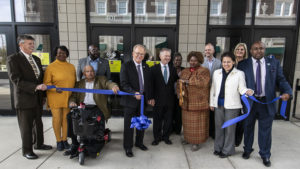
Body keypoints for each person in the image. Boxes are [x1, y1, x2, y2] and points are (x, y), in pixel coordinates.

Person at [238, 41, 292, 167]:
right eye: (255, 49)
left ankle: (265, 154)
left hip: (266, 102)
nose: (258, 51)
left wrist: (288, 92)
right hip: (250, 102)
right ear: (251, 51)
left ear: (265, 50)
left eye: (261, 48)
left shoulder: (273, 63)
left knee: (265, 130)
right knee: (248, 127)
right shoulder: (243, 64)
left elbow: (281, 79)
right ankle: (247, 149)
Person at [6, 35, 52, 160]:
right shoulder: (13, 59)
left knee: (38, 123)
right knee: (26, 127)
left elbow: (40, 79)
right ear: (21, 45)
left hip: (37, 98)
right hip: (24, 100)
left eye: (33, 43)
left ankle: (39, 144)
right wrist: (36, 87)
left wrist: (42, 95)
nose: (32, 46)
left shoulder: (36, 59)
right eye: (29, 44)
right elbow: (16, 80)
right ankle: (27, 150)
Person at [65, 65, 119, 157]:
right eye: (88, 71)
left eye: (92, 71)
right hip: (83, 107)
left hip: (97, 108)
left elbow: (109, 84)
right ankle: (74, 143)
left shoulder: (101, 79)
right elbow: (73, 95)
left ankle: (95, 143)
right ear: (83, 73)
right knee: (70, 117)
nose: (90, 73)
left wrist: (114, 87)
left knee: (95, 123)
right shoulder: (79, 83)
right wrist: (72, 102)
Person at [210, 52, 253, 158]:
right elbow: (213, 89)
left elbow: (242, 88)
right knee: (219, 127)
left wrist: (247, 91)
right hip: (218, 104)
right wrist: (211, 103)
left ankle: (227, 150)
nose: (226, 64)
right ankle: (218, 148)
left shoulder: (239, 73)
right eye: (224, 62)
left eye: (228, 62)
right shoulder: (217, 73)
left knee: (229, 129)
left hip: (233, 106)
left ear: (233, 62)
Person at [120, 44, 152, 157]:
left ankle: (139, 143)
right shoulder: (126, 66)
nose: (139, 55)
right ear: (133, 54)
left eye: (142, 54)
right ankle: (128, 147)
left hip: (142, 101)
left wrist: (150, 98)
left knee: (141, 123)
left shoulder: (146, 66)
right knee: (129, 126)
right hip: (130, 101)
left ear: (144, 55)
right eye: (137, 53)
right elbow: (123, 84)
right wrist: (134, 93)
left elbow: (148, 85)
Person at [43, 46, 76, 151]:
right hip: (55, 97)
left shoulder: (71, 66)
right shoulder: (51, 67)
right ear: (55, 54)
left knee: (66, 120)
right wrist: (54, 88)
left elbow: (74, 81)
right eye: (59, 53)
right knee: (57, 119)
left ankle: (65, 140)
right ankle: (59, 141)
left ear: (67, 54)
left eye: (64, 53)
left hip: (68, 97)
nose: (62, 55)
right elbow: (46, 83)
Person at [177, 51, 210, 151]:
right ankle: (188, 139)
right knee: (187, 124)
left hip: (199, 102)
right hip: (186, 102)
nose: (193, 62)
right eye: (191, 60)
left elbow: (203, 83)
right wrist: (179, 94)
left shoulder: (204, 71)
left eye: (195, 60)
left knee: (197, 125)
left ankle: (196, 142)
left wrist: (187, 81)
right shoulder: (185, 71)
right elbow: (179, 83)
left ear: (199, 61)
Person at [149, 48, 178, 146]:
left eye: (169, 56)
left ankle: (166, 137)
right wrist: (150, 98)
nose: (167, 58)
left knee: (168, 120)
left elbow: (176, 82)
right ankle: (156, 138)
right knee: (157, 120)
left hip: (170, 100)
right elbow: (150, 85)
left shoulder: (173, 69)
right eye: (165, 56)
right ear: (160, 56)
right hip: (157, 100)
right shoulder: (153, 69)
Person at [202, 43, 222, 139]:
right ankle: (206, 132)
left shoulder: (219, 63)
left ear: (213, 51)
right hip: (204, 90)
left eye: (209, 50)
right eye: (206, 50)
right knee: (205, 112)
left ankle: (213, 132)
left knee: (214, 111)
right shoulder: (201, 62)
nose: (207, 52)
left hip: (215, 90)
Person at [233, 43, 248, 147]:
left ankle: (237, 141)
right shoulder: (231, 62)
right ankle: (230, 139)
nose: (239, 51)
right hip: (232, 95)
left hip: (243, 96)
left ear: (245, 51)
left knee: (241, 120)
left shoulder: (248, 64)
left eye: (242, 49)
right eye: (238, 49)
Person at [172, 52, 184, 134]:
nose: (178, 62)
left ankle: (177, 130)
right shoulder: (169, 68)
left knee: (179, 114)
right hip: (171, 95)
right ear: (173, 61)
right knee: (171, 113)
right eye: (176, 60)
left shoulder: (184, 69)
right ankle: (170, 129)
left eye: (179, 60)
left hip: (180, 96)